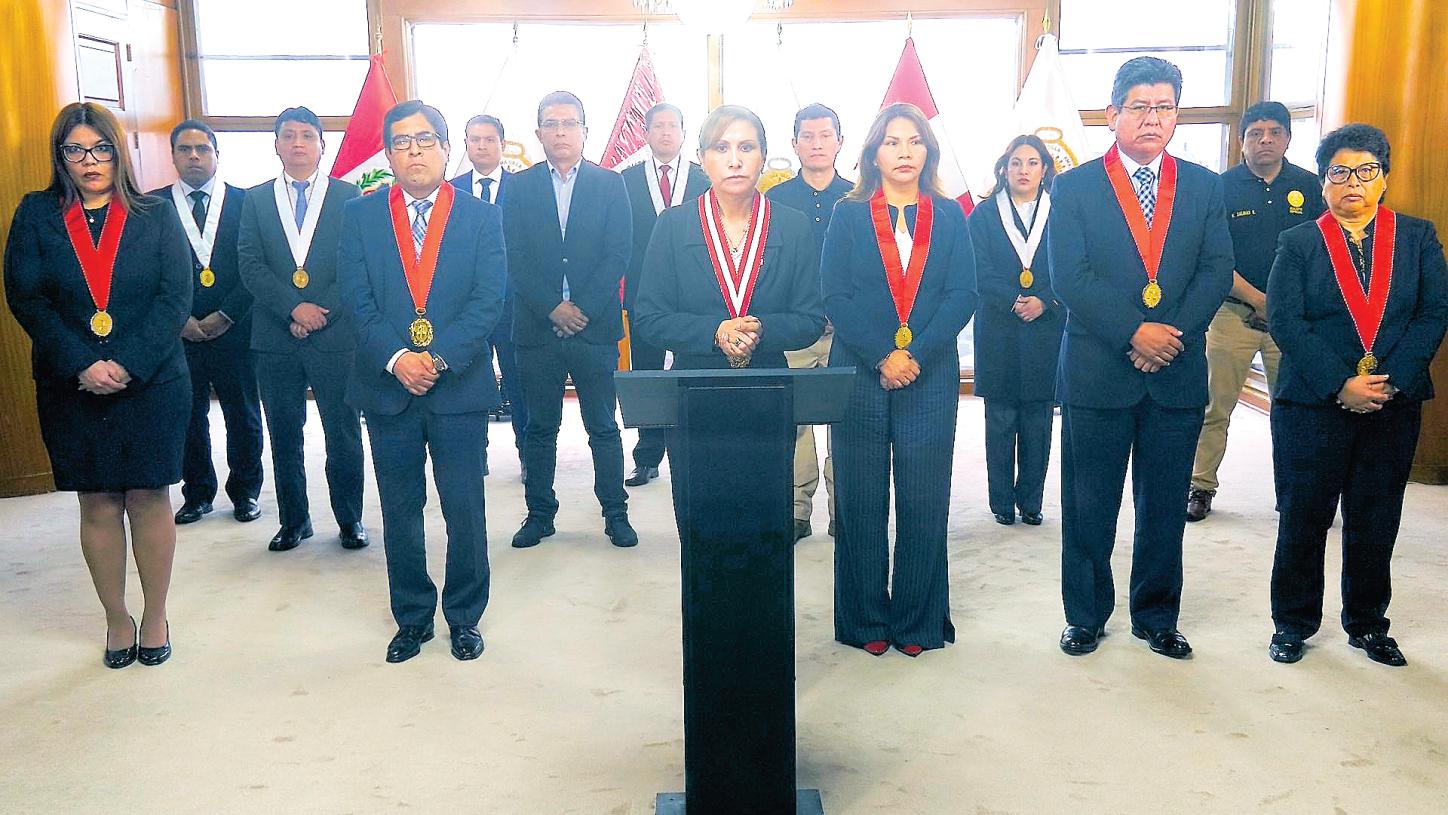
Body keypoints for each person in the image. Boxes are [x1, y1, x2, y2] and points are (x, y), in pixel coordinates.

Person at [1049, 57, 1233, 660]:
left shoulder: (1204, 186)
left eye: (1164, 107)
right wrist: (1134, 331)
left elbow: (1215, 271)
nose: (1153, 118)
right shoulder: (1074, 187)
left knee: (1163, 508)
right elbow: (1069, 276)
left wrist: (1168, 336)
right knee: (1089, 504)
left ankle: (1156, 616)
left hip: (1175, 372)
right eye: (1140, 107)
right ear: (1113, 114)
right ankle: (1085, 615)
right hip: (1098, 371)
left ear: (1176, 115)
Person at [4, 102, 191, 668]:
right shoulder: (36, 214)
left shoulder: (156, 213)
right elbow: (27, 297)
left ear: (118, 152)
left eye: (101, 148)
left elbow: (174, 298)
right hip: (73, 384)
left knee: (149, 496)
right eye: (76, 150)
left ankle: (154, 614)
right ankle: (116, 617)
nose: (90, 161)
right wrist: (82, 363)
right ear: (60, 157)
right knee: (98, 500)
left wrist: (128, 362)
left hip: (152, 381)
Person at [1265, 123, 1447, 667]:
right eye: (1339, 173)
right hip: (1313, 402)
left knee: (1376, 516)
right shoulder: (1299, 242)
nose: (1353, 183)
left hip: (1391, 402)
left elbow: (1433, 313)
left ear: (1383, 178)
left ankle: (1368, 623)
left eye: (1366, 172)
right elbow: (1286, 320)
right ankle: (1292, 623)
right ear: (1323, 182)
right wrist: (1340, 383)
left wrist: (1389, 381)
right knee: (1304, 515)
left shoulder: (1417, 237)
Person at [339, 100, 507, 664]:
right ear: (388, 154)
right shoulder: (361, 215)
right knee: (400, 508)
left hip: (458, 384)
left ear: (446, 148)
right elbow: (356, 299)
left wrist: (436, 359)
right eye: (402, 142)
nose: (414, 150)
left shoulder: (481, 216)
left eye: (426, 139)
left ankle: (464, 615)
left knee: (465, 506)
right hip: (388, 386)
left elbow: (489, 298)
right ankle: (412, 617)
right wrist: (397, 358)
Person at [820, 103, 977, 658]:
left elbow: (963, 294)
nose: (904, 151)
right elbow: (835, 295)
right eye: (892, 141)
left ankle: (917, 620)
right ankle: (864, 619)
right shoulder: (847, 214)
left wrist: (914, 355)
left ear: (928, 151)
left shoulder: (950, 216)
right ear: (874, 152)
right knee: (860, 500)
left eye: (914, 141)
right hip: (861, 371)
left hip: (929, 373)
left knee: (923, 499)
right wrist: (882, 356)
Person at [501, 91, 637, 549]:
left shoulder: (609, 184)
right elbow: (513, 256)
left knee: (603, 425)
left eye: (569, 123)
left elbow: (618, 252)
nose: (560, 132)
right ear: (538, 133)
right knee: (539, 428)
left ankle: (615, 513)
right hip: (537, 328)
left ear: (584, 131)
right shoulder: (518, 187)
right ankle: (539, 515)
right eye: (552, 124)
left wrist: (582, 308)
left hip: (594, 328)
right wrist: (551, 307)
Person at [237, 106, 368, 553]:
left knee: (342, 431)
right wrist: (293, 309)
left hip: (335, 334)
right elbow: (250, 265)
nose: (298, 143)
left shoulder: (349, 196)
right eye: (289, 135)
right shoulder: (255, 199)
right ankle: (294, 520)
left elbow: (354, 265)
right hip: (275, 336)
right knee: (284, 433)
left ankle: (350, 518)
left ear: (321, 145)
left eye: (307, 136)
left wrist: (319, 312)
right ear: (276, 144)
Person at [1187, 102, 1325, 522]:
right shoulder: (1221, 187)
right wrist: (1259, 299)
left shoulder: (1310, 186)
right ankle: (1199, 486)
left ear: (1288, 138)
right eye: (1255, 133)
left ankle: (1294, 490)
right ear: (1242, 140)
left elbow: (1322, 253)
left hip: (1294, 320)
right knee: (1214, 407)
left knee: (1294, 409)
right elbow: (1214, 257)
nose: (1265, 140)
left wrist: (1283, 304)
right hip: (1231, 314)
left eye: (1274, 132)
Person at [150, 119, 264, 527]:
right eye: (185, 149)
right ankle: (197, 493)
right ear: (173, 156)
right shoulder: (153, 206)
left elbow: (254, 266)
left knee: (243, 414)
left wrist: (227, 314)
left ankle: (246, 491)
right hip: (178, 332)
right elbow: (148, 271)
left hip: (235, 327)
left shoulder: (246, 202)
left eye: (203, 149)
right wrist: (180, 319)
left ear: (217, 154)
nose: (194, 156)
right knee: (187, 414)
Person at [766, 102, 852, 542]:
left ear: (840, 141)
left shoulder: (860, 197)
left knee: (846, 422)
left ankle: (844, 511)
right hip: (795, 331)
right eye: (808, 136)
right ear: (794, 143)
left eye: (825, 135)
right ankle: (797, 511)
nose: (817, 144)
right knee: (793, 422)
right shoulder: (774, 201)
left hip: (848, 333)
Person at [969, 134, 1063, 527]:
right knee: (1001, 420)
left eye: (1032, 163)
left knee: (1038, 422)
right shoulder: (983, 215)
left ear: (1045, 170)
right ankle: (1002, 502)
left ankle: (1031, 501)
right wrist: (1012, 299)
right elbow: (977, 269)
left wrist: (1045, 300)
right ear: (1004, 170)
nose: (1023, 170)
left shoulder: (1061, 212)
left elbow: (1072, 266)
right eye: (1016, 163)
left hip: (1046, 326)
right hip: (999, 327)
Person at [621, 102, 710, 488]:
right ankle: (647, 455)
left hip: (696, 295)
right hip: (646, 294)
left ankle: (696, 450)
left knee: (694, 370)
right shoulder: (626, 181)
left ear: (684, 133)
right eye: (658, 126)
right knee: (648, 373)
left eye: (673, 126)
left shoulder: (704, 179)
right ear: (646, 134)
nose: (666, 132)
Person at [449, 113, 525, 461]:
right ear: (466, 144)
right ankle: (473, 458)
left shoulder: (522, 188)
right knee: (467, 384)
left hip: (513, 305)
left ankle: (528, 454)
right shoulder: (449, 190)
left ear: (502, 145)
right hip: (465, 307)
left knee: (519, 384)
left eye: (489, 139)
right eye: (475, 140)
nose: (482, 146)